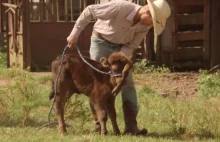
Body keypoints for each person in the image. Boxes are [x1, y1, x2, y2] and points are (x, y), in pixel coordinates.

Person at [67, 0, 171, 135]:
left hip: (122, 48)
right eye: (153, 21)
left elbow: (132, 45)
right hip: (101, 42)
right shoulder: (119, 7)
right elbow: (90, 10)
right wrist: (74, 34)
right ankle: (99, 125)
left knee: (127, 82)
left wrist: (119, 60)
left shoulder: (145, 25)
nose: (151, 26)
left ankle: (131, 126)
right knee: (97, 83)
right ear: (147, 12)